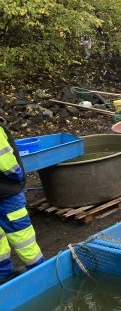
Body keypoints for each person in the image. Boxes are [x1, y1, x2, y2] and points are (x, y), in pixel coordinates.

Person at [0, 117, 45, 283]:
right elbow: (7, 165)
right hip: (6, 194)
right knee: (22, 234)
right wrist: (18, 177)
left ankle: (3, 275)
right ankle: (39, 270)